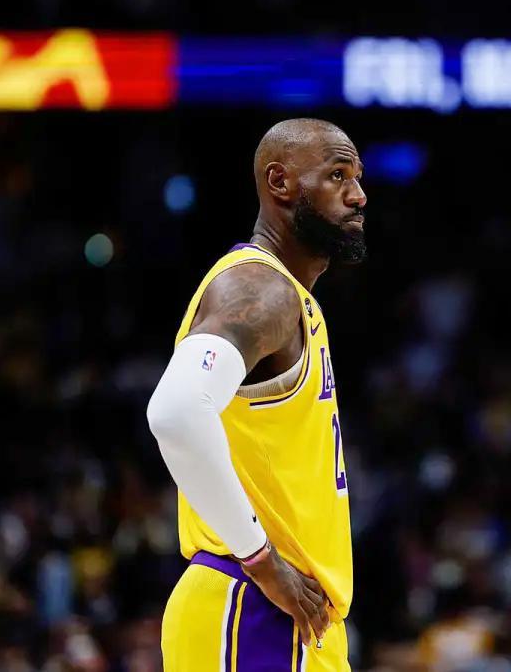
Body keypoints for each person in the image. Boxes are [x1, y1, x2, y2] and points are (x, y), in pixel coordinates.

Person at [147, 118, 367, 671]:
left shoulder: (290, 297)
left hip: (289, 618)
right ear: (280, 182)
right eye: (337, 175)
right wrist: (261, 559)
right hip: (252, 608)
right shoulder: (259, 288)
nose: (358, 195)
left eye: (358, 178)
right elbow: (175, 412)